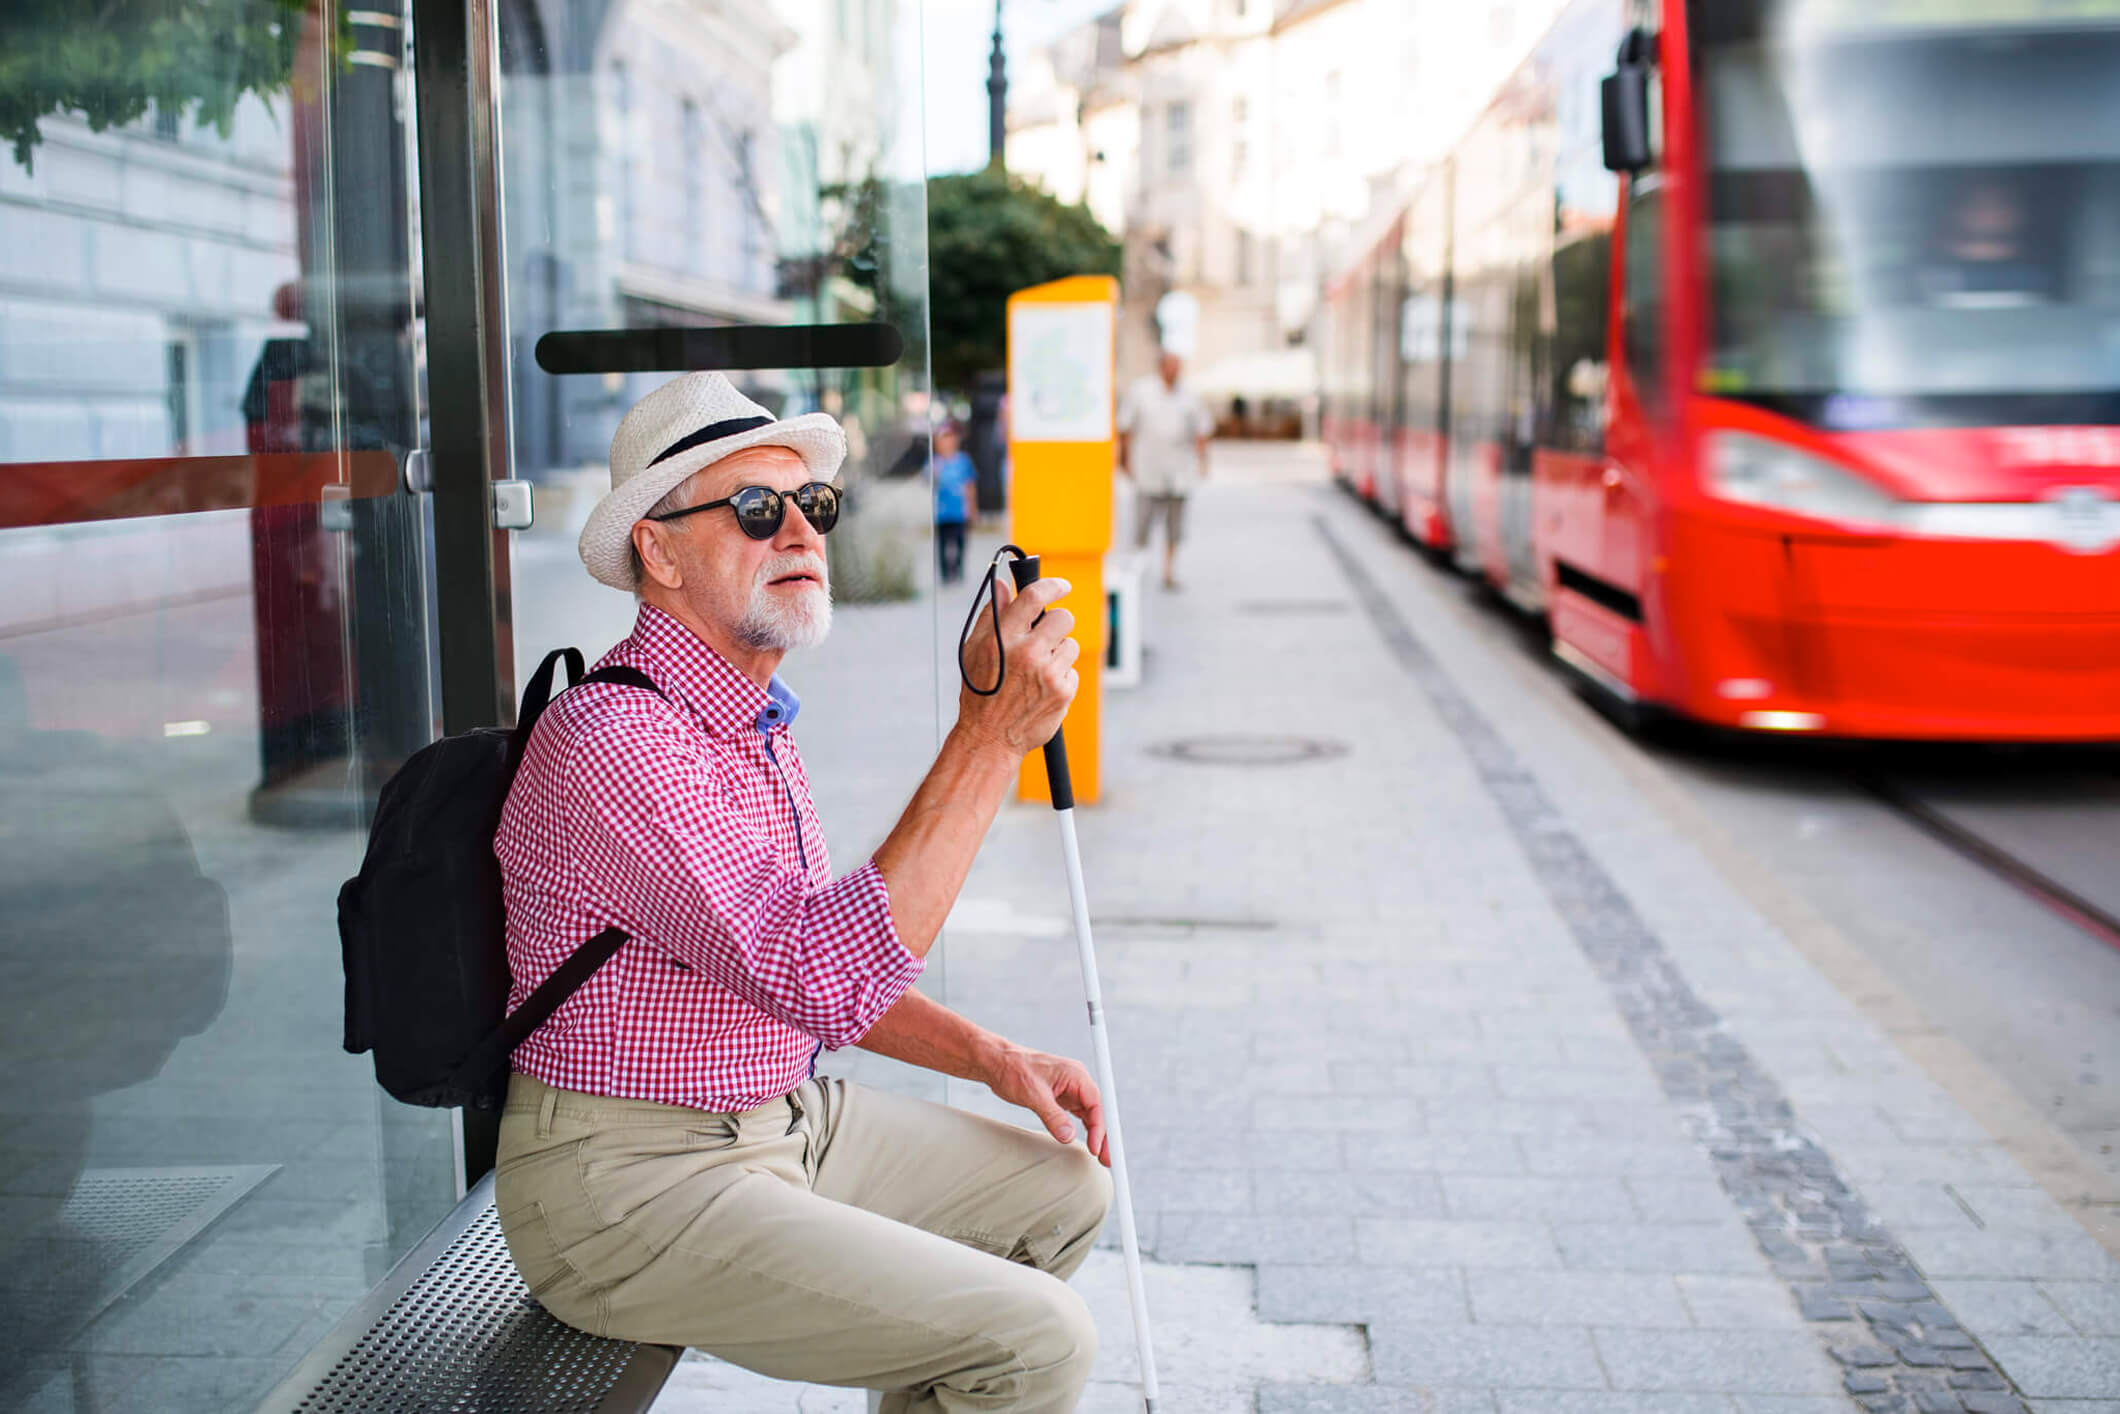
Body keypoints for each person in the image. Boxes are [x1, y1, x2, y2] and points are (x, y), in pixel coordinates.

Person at [493, 372, 1109, 1412]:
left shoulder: (748, 722)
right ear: (657, 548)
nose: (800, 531)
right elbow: (825, 973)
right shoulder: (617, 744)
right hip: (623, 1180)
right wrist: (987, 734)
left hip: (776, 1122)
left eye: (811, 505)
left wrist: (993, 1060)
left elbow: (812, 955)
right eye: (752, 509)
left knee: (1063, 1194)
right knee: (1036, 1340)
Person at [1117, 349, 1213, 590]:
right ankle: (1139, 569)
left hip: (1180, 470)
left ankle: (1169, 571)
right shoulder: (1142, 391)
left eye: (1178, 366)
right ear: (1161, 367)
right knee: (1143, 523)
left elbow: (1202, 431)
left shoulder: (1190, 395)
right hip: (1148, 467)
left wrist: (1203, 461)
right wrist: (1124, 459)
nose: (1175, 371)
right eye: (1171, 366)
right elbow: (1126, 428)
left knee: (1175, 526)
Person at [932, 420, 977, 584]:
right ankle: (945, 573)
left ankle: (958, 570)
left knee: (960, 542)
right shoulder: (936, 462)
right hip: (942, 512)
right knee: (943, 544)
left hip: (959, 511)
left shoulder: (963, 461)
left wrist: (972, 508)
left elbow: (970, 485)